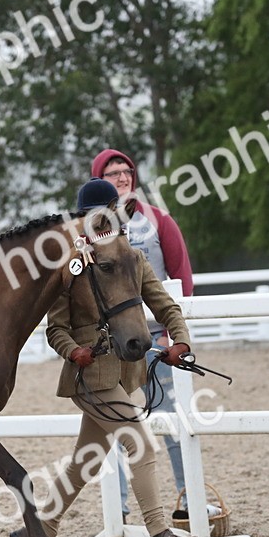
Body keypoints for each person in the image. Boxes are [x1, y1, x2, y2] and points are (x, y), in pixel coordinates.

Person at [10, 177, 202, 537]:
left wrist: (178, 340)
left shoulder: (133, 259)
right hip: (90, 378)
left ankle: (37, 532)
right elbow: (55, 328)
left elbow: (165, 306)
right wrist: (72, 350)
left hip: (123, 376)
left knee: (87, 460)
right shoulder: (71, 267)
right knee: (142, 446)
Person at [92, 148, 195, 512]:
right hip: (110, 342)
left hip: (153, 339)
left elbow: (181, 276)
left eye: (126, 172)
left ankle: (187, 497)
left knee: (171, 419)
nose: (122, 177)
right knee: (113, 423)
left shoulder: (158, 220)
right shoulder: (89, 229)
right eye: (113, 172)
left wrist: (172, 330)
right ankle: (118, 508)